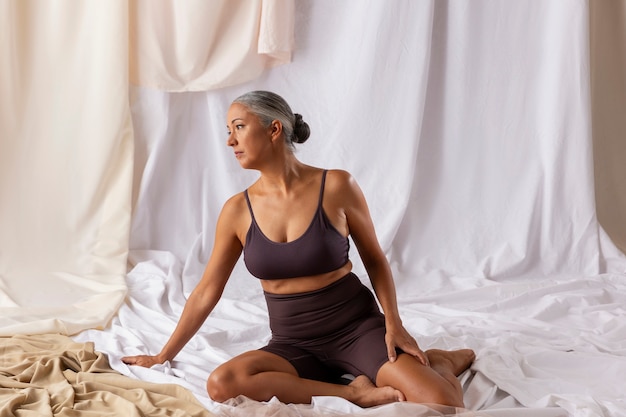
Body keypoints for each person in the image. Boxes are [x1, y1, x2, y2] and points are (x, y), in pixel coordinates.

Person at [122, 90, 475, 408]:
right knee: (222, 383)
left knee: (443, 402)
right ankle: (353, 391)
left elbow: (376, 261)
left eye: (239, 127)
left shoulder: (337, 185)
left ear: (274, 130)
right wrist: (162, 355)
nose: (230, 141)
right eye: (228, 131)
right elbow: (206, 292)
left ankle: (438, 362)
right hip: (293, 344)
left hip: (358, 330)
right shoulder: (236, 211)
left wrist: (393, 324)